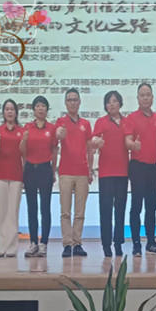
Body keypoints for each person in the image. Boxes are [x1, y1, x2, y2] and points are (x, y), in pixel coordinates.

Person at [123, 83, 156, 256]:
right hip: (137, 167)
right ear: (138, 98)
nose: (145, 98)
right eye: (142, 95)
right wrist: (133, 145)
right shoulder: (131, 118)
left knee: (151, 207)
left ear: (152, 98)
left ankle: (151, 242)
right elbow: (127, 141)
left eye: (148, 95)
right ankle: (136, 243)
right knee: (136, 206)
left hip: (153, 167)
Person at [55, 88, 93, 258]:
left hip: (82, 172)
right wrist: (59, 134)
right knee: (65, 211)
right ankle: (67, 244)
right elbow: (57, 137)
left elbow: (90, 149)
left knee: (80, 212)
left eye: (75, 99)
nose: (72, 103)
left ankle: (77, 243)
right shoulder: (60, 122)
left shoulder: (86, 124)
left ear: (79, 102)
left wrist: (90, 170)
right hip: (65, 172)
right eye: (69, 100)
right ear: (65, 103)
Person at [20, 96, 58, 257]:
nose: (41, 108)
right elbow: (22, 151)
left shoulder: (52, 128)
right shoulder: (27, 127)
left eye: (43, 106)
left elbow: (54, 150)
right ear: (33, 110)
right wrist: (24, 140)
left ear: (47, 109)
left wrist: (53, 170)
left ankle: (44, 243)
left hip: (45, 169)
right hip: (30, 169)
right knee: (32, 208)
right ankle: (33, 242)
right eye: (38, 106)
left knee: (45, 208)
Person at [92, 91, 129, 257]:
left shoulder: (127, 122)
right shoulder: (101, 122)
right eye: (108, 102)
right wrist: (96, 142)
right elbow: (93, 141)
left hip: (122, 172)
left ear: (120, 103)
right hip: (106, 173)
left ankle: (118, 242)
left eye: (114, 101)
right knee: (106, 210)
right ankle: (106, 244)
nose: (112, 104)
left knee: (120, 210)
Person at [0, 99, 24, 257]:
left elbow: (24, 153)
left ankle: (11, 247)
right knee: (2, 211)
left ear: (16, 112)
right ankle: (1, 246)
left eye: (12, 109)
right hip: (0, 174)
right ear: (3, 112)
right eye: (7, 109)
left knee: (13, 211)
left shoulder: (22, 131)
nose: (9, 112)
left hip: (16, 175)